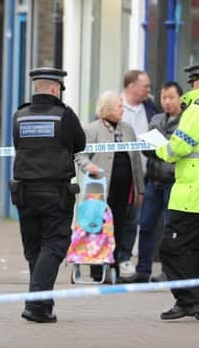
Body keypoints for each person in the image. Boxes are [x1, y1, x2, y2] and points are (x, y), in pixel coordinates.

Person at [10, 67, 85, 323]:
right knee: (54, 244)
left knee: (34, 249)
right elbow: (80, 143)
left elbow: (17, 144)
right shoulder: (64, 116)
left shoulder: (19, 115)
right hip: (55, 192)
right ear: (55, 89)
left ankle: (42, 306)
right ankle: (35, 303)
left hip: (25, 192)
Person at [156, 63, 199, 321]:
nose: (191, 87)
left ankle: (188, 300)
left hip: (195, 194)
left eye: (193, 82)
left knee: (171, 248)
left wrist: (160, 149)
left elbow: (180, 146)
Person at [75, 91, 145, 283]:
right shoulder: (92, 129)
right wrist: (89, 166)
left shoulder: (128, 129)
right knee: (98, 228)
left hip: (124, 190)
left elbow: (136, 161)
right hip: (101, 191)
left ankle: (112, 268)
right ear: (107, 108)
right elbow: (80, 155)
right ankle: (97, 271)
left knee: (119, 229)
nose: (122, 109)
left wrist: (140, 189)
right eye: (119, 106)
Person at [125, 82, 183, 283]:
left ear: (180, 98)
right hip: (154, 181)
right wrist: (165, 149)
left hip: (174, 183)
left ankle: (169, 272)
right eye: (163, 98)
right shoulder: (156, 118)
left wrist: (164, 149)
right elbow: (147, 148)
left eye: (171, 97)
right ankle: (143, 271)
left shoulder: (187, 121)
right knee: (147, 225)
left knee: (170, 229)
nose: (166, 102)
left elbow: (180, 151)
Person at [118, 70, 158, 278]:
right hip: (122, 176)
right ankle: (116, 259)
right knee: (120, 218)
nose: (149, 90)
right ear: (132, 86)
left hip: (146, 174)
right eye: (146, 86)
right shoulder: (115, 106)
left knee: (136, 221)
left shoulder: (150, 108)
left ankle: (128, 260)